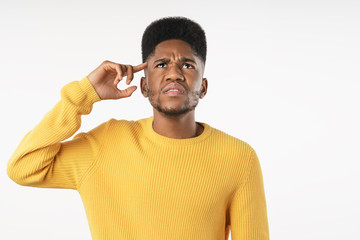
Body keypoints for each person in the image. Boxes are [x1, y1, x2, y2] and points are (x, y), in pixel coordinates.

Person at [7, 16, 269, 240]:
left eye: (187, 65)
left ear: (203, 86)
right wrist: (85, 94)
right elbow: (23, 167)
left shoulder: (239, 157)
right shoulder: (106, 143)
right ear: (144, 87)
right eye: (161, 64)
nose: (174, 73)